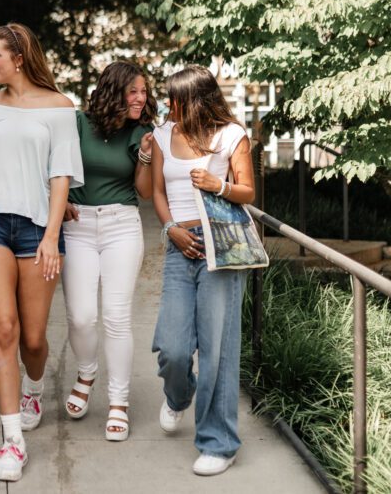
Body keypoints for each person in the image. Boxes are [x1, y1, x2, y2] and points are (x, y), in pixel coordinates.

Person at [0, 23, 84, 482]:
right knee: (4, 328)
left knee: (33, 340)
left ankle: (33, 389)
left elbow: (60, 178)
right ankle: (12, 440)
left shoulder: (59, 108)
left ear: (20, 58)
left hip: (37, 229)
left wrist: (52, 236)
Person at [150, 65, 255, 476]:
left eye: (173, 98)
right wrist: (170, 228)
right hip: (181, 247)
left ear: (193, 99)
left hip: (222, 248)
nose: (167, 104)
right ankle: (179, 396)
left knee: (218, 352)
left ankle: (219, 443)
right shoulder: (162, 135)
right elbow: (157, 192)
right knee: (173, 347)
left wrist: (219, 186)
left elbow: (247, 191)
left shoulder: (231, 135)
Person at [61, 61, 156, 441]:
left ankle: (119, 402)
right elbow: (57, 169)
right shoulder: (77, 123)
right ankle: (87, 372)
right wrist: (60, 201)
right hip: (77, 225)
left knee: (116, 317)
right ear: (114, 91)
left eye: (144, 91)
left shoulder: (140, 132)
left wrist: (146, 155)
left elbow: (146, 192)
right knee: (81, 316)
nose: (141, 98)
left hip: (121, 225)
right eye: (133, 91)